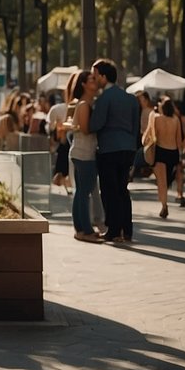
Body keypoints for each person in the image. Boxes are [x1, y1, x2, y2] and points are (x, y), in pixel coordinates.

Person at [88, 58, 141, 243]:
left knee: (109, 191)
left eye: (95, 76)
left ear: (103, 77)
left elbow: (96, 124)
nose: (93, 79)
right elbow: (136, 127)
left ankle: (113, 230)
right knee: (122, 190)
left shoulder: (104, 98)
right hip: (128, 148)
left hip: (109, 149)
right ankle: (127, 231)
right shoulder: (130, 99)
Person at [66, 70, 102, 242]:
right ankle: (86, 230)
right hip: (84, 153)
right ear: (84, 85)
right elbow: (87, 129)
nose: (95, 82)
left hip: (79, 152)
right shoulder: (84, 105)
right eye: (91, 80)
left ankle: (80, 228)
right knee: (84, 192)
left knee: (81, 191)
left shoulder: (83, 104)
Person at [146, 96, 185, 219]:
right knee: (167, 180)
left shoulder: (157, 118)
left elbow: (152, 136)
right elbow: (179, 139)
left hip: (161, 151)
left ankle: (164, 205)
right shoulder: (176, 120)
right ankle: (166, 201)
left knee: (161, 181)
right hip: (173, 152)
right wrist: (180, 155)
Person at [47, 95, 72, 192]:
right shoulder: (58, 110)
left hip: (65, 144)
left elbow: (52, 131)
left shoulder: (56, 110)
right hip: (65, 144)